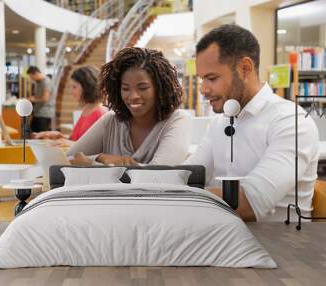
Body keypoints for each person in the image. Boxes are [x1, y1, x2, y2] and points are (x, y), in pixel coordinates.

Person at [184, 24, 319, 222]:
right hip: (227, 237)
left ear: (245, 68)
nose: (203, 89)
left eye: (211, 78)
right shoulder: (219, 123)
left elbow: (248, 204)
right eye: (202, 79)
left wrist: (178, 195)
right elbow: (186, 175)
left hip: (277, 246)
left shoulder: (291, 122)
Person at [67, 47, 193, 166]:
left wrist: (93, 163)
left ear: (160, 88)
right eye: (125, 88)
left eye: (143, 88)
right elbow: (68, 160)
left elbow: (160, 175)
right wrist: (101, 158)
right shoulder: (111, 121)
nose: (133, 96)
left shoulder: (177, 120)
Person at [32, 66, 107, 146]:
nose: (71, 91)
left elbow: (94, 149)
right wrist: (59, 136)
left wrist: (66, 142)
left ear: (87, 88)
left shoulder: (101, 113)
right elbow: (78, 140)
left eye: (74, 87)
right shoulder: (87, 108)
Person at [27, 66, 56, 132]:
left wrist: (33, 100)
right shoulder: (39, 82)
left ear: (36, 73)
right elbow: (39, 96)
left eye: (32, 77)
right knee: (33, 132)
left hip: (44, 113)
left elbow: (45, 98)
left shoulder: (46, 82)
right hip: (38, 112)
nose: (32, 79)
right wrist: (33, 97)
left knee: (41, 135)